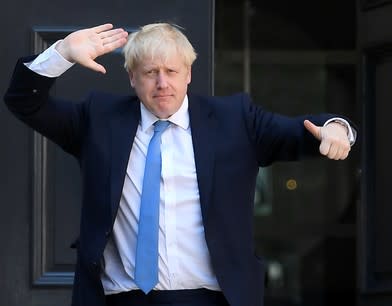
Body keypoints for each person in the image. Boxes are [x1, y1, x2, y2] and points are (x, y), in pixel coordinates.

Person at [4, 23, 356, 306]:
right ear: (131, 77)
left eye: (172, 71)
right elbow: (25, 103)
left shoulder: (235, 120)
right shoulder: (98, 118)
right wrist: (61, 53)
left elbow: (298, 132)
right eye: (150, 72)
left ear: (188, 73)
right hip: (120, 297)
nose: (162, 83)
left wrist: (336, 128)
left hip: (210, 297)